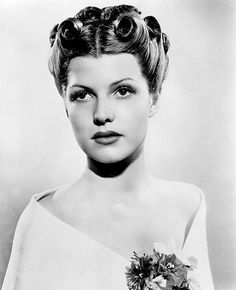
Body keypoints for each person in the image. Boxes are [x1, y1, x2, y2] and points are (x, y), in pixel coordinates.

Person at [2, 5, 214, 290]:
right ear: (65, 103)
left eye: (123, 91)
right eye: (83, 95)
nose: (102, 113)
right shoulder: (42, 221)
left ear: (154, 97)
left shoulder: (189, 206)